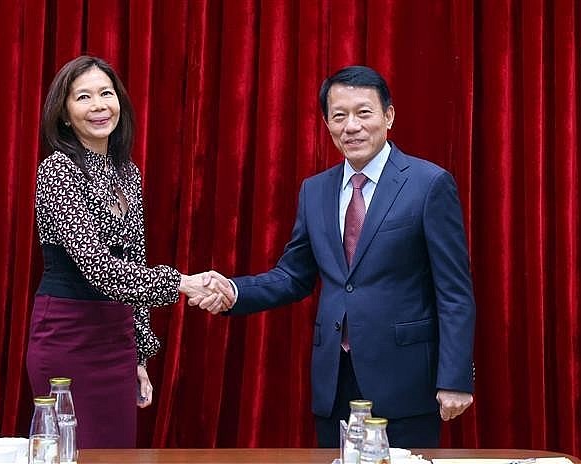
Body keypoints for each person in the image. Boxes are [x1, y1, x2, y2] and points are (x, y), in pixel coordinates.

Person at [192, 65, 475, 448]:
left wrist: (454, 378)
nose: (351, 126)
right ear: (326, 123)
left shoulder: (428, 184)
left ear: (388, 116)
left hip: (405, 381)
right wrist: (233, 290)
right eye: (339, 116)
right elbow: (293, 276)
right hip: (334, 379)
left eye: (364, 112)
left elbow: (454, 290)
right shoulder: (315, 190)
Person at [26, 55, 232, 448]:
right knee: (72, 452)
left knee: (116, 454)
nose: (99, 105)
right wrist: (184, 283)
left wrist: (139, 354)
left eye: (106, 93)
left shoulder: (128, 173)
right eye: (83, 97)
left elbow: (133, 263)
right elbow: (101, 269)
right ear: (66, 114)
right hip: (68, 338)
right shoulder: (58, 170)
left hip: (116, 344)